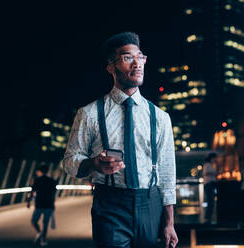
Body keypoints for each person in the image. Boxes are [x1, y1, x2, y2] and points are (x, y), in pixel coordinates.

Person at [63, 32, 178, 248]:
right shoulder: (89, 114)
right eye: (127, 58)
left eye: (140, 57)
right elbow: (70, 161)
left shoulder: (160, 118)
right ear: (111, 67)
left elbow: (167, 172)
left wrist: (170, 222)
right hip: (110, 203)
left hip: (149, 203)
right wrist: (94, 163)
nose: (137, 64)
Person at [27, 164, 57, 246]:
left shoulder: (37, 180)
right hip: (49, 204)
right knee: (45, 223)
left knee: (34, 221)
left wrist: (29, 202)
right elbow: (53, 193)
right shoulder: (52, 180)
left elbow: (32, 192)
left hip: (39, 204)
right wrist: (53, 204)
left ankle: (39, 232)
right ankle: (43, 240)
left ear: (40, 171)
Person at [202, 153, 218, 224]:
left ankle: (208, 218)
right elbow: (206, 173)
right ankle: (207, 218)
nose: (215, 160)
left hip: (209, 184)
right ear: (212, 158)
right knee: (211, 201)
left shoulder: (209, 164)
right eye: (215, 158)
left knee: (211, 201)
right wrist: (215, 173)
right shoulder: (207, 165)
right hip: (209, 184)